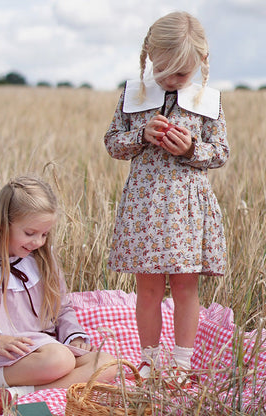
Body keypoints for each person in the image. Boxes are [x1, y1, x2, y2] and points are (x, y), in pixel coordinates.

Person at [104, 11, 229, 381]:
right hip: (145, 207)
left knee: (186, 286)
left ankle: (182, 363)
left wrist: (191, 148)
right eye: (165, 71)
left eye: (182, 73)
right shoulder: (133, 96)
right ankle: (148, 360)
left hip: (187, 210)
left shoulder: (208, 100)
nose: (174, 80)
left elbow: (221, 152)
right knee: (148, 287)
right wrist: (141, 135)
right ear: (150, 57)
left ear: (200, 63)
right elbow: (112, 144)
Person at [0, 175, 116, 408]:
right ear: (3, 225)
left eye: (44, 234)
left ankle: (13, 394)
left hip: (42, 352)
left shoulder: (43, 259)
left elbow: (62, 309)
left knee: (110, 365)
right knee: (59, 359)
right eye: (30, 233)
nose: (38, 242)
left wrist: (73, 336)